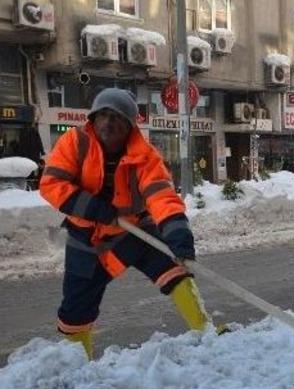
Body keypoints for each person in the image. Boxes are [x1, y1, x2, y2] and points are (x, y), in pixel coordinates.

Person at [39, 88, 212, 360]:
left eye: (117, 117)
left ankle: (208, 332)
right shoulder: (75, 141)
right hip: (86, 239)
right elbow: (51, 184)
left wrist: (177, 232)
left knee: (174, 270)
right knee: (76, 309)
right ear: (94, 118)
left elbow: (161, 196)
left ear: (130, 126)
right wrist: (93, 208)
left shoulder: (146, 156)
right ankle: (75, 363)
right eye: (103, 115)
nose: (109, 123)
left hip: (135, 232)